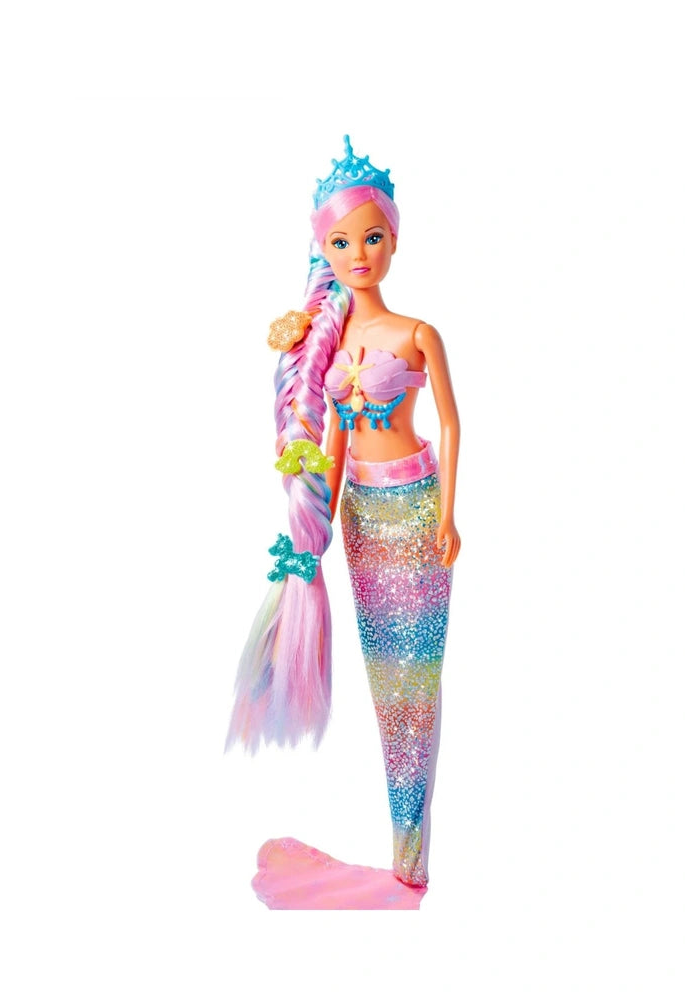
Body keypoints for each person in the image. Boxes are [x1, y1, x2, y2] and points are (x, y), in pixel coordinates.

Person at [227, 136, 461, 892]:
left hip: (416, 508)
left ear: (393, 239)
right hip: (359, 515)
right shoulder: (327, 345)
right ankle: (405, 854)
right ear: (323, 249)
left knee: (418, 676)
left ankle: (412, 853)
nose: (358, 253)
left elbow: (451, 423)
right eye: (341, 241)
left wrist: (448, 516)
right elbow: (331, 443)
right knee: (383, 674)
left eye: (372, 237)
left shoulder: (417, 334)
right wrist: (314, 529)